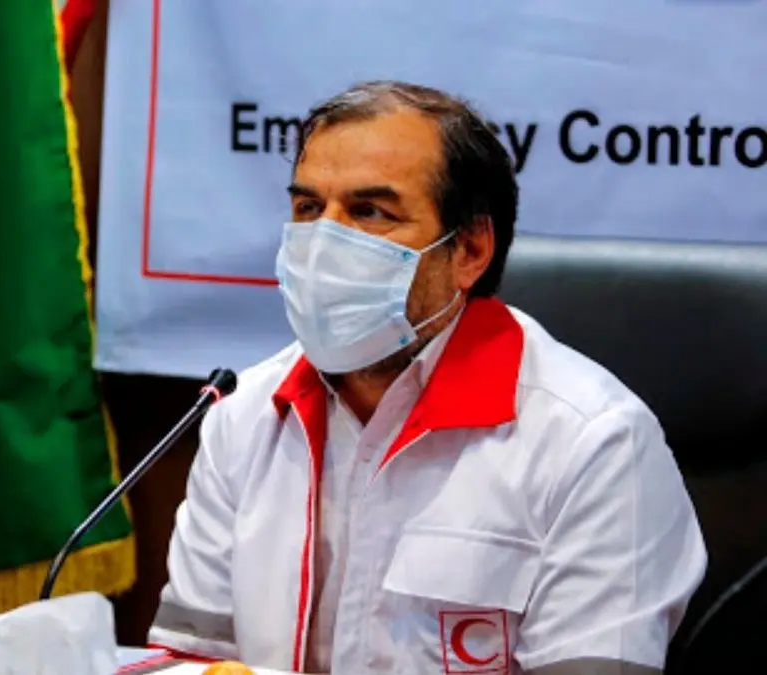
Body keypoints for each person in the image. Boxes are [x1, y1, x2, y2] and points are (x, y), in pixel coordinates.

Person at [147, 81, 707, 675]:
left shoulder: (595, 443)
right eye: (308, 209)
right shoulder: (245, 415)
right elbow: (190, 658)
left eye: (369, 212)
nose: (322, 244)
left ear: (469, 251)